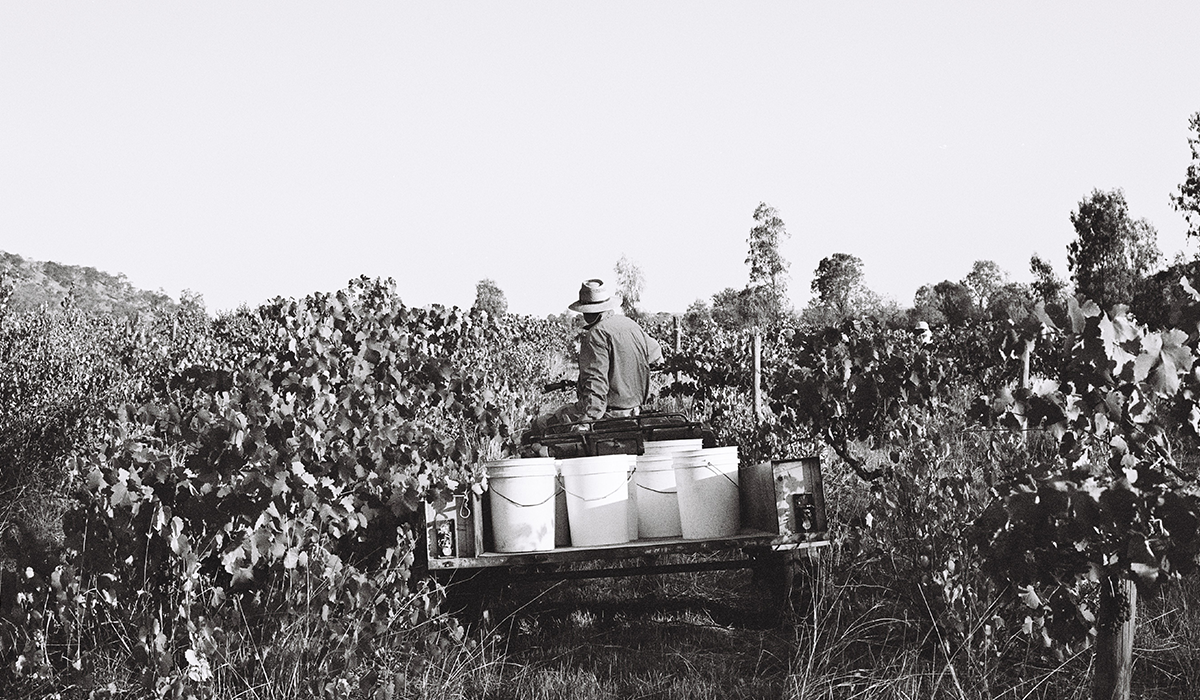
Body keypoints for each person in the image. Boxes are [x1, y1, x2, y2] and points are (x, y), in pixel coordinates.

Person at [532, 278, 663, 432]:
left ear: (587, 312)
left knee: (540, 425)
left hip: (609, 415)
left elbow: (596, 387)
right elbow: (657, 358)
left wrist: (586, 423)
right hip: (635, 410)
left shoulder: (595, 335)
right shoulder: (631, 325)